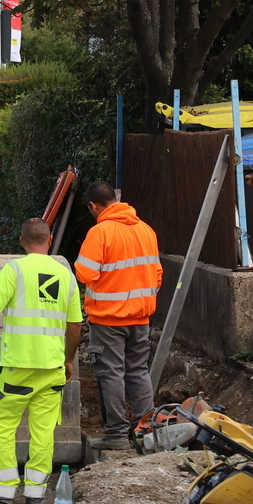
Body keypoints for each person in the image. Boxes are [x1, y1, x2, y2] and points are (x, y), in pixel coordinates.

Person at [0, 218, 83, 504]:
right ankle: (36, 495)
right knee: (43, 431)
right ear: (50, 238)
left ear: (21, 241)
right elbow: (75, 330)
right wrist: (68, 361)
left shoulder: (14, 270)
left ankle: (3, 494)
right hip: (52, 368)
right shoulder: (66, 275)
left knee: (4, 424)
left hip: (18, 367)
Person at [73, 181, 162, 449]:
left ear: (93, 206)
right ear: (116, 199)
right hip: (140, 317)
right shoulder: (146, 230)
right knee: (138, 371)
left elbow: (85, 273)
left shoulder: (100, 232)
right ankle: (148, 433)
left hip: (108, 320)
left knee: (111, 374)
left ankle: (116, 436)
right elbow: (157, 274)